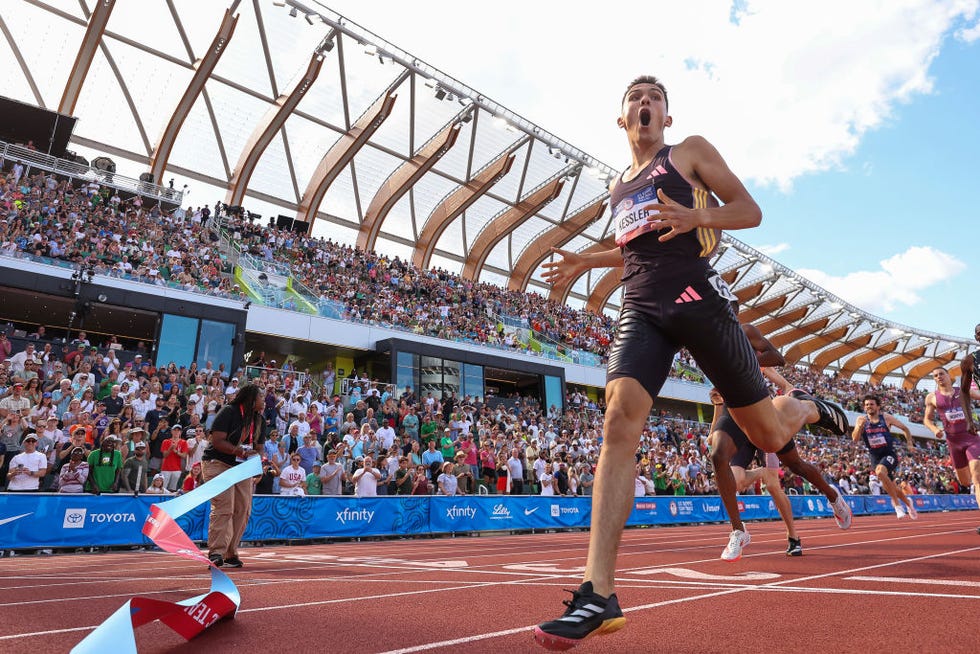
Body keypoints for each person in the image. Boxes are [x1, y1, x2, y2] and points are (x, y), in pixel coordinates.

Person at [534, 75, 848, 650]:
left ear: (667, 118)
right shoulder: (616, 186)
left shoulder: (690, 152)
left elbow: (749, 211)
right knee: (618, 419)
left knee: (771, 434)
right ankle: (598, 593)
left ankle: (805, 407)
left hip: (699, 300)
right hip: (641, 303)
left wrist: (696, 217)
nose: (644, 104)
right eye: (635, 98)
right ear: (621, 119)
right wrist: (584, 260)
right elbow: (634, 245)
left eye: (654, 99)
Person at [201, 382, 266, 569]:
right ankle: (216, 552)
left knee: (243, 509)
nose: (264, 401)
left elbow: (259, 448)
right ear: (252, 399)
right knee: (225, 507)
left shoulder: (259, 420)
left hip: (242, 467)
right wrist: (241, 452)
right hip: (218, 463)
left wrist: (256, 458)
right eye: (261, 397)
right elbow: (217, 440)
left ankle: (230, 553)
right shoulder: (229, 411)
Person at [923, 365, 980, 533]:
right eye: (935, 375)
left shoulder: (963, 391)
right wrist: (935, 430)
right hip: (953, 442)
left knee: (977, 477)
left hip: (972, 438)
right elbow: (927, 420)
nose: (938, 377)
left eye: (941, 374)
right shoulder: (932, 398)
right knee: (965, 482)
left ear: (949, 376)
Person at [852, 394, 917, 520]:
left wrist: (909, 443)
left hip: (888, 454)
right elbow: (855, 439)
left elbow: (905, 428)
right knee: (893, 487)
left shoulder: (885, 418)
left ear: (878, 406)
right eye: (866, 405)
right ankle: (909, 504)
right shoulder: (861, 420)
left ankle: (897, 506)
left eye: (871, 404)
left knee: (880, 472)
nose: (869, 407)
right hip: (875, 457)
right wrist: (859, 426)